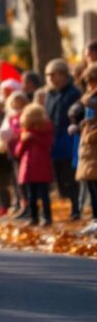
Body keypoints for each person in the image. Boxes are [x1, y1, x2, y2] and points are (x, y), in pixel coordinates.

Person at [44, 59, 82, 220]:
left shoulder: (74, 92)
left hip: (69, 138)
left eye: (55, 74)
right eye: (49, 75)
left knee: (70, 174)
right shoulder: (49, 94)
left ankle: (76, 207)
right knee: (59, 176)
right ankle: (68, 202)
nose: (52, 78)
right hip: (54, 139)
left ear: (63, 74)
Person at [15, 103, 54, 226]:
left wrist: (34, 137)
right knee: (31, 195)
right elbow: (18, 152)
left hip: (41, 165)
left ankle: (47, 217)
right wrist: (23, 141)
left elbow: (48, 145)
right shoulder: (25, 131)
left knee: (44, 194)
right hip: (29, 167)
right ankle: (34, 217)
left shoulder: (46, 130)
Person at [72, 64, 97, 234]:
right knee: (91, 185)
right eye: (87, 82)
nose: (89, 85)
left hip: (93, 143)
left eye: (92, 81)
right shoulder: (88, 98)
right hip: (88, 147)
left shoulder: (92, 99)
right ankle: (95, 218)